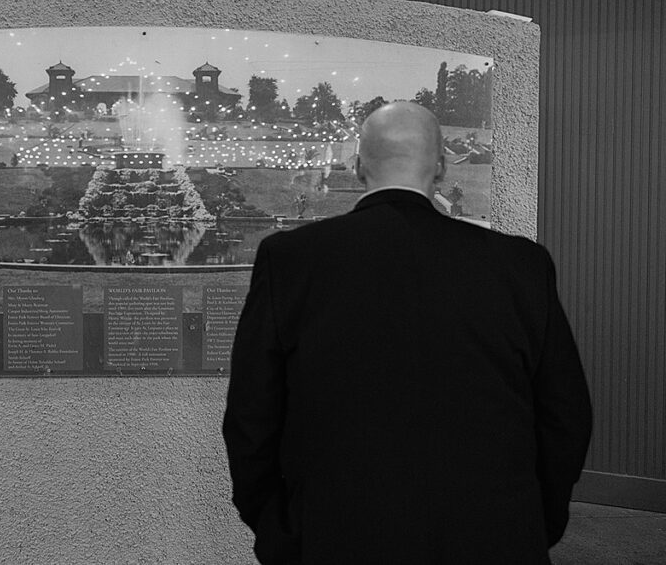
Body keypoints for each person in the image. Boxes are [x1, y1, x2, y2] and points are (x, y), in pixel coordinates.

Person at [223, 102, 592, 564]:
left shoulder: (291, 259)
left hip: (336, 535)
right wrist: (537, 517)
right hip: (495, 533)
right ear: (439, 167)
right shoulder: (520, 265)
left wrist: (277, 526)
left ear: (357, 167)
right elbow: (566, 414)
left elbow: (251, 414)